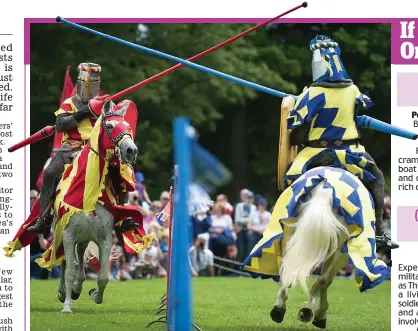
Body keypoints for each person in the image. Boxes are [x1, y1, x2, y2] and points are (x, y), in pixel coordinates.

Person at [285, 35, 397, 250]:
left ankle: (285, 227)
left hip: (314, 152)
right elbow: (358, 111)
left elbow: (294, 132)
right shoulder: (353, 90)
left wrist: (297, 102)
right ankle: (379, 234)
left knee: (288, 181)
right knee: (377, 179)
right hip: (351, 151)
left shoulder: (311, 93)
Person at [28, 63, 137, 234]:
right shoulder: (69, 103)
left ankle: (123, 217)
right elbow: (60, 124)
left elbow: (117, 122)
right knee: (50, 173)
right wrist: (83, 113)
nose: (88, 88)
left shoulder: (106, 103)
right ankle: (44, 218)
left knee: (121, 171)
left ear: (98, 85)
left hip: (98, 149)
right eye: (85, 83)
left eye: (92, 84)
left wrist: (108, 111)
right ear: (79, 83)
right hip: (71, 148)